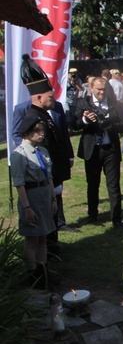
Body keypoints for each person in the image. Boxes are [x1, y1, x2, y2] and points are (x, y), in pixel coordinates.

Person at [13, 55, 77, 246]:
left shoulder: (45, 113)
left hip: (51, 172)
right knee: (43, 225)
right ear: (39, 98)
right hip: (40, 174)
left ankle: (51, 247)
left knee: (51, 217)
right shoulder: (34, 117)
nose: (54, 99)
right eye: (50, 96)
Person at [75, 77, 123, 227]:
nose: (101, 92)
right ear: (91, 88)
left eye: (104, 89)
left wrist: (110, 126)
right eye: (98, 89)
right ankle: (92, 215)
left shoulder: (114, 103)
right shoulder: (84, 103)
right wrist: (85, 121)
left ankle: (116, 218)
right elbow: (74, 124)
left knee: (113, 185)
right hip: (92, 150)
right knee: (92, 183)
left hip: (110, 149)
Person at [12, 114, 57, 287]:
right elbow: (19, 184)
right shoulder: (19, 155)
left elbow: (49, 177)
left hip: (44, 196)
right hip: (31, 198)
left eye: (42, 130)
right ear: (27, 133)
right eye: (37, 131)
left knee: (43, 237)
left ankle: (43, 273)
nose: (41, 134)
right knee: (32, 238)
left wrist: (53, 198)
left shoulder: (42, 152)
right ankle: (33, 276)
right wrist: (27, 208)